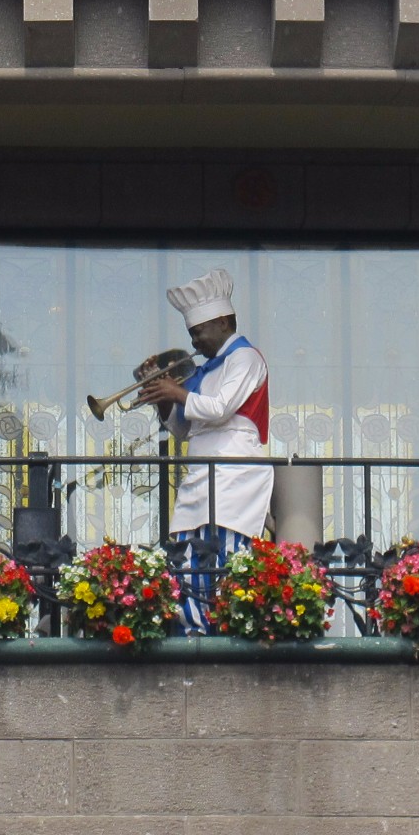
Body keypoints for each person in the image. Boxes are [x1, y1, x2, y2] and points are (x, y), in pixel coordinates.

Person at [136, 267, 272, 631]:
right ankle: (190, 625)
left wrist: (176, 391)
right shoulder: (203, 372)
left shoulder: (246, 358)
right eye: (191, 334)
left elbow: (220, 408)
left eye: (198, 332)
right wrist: (163, 401)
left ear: (224, 322)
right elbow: (184, 428)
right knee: (184, 558)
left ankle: (214, 627)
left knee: (223, 554)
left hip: (234, 472)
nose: (194, 342)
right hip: (201, 472)